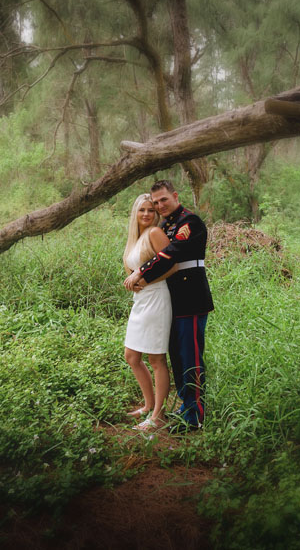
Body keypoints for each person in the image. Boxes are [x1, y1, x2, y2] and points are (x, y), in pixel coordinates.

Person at [124, 180, 214, 430]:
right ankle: (186, 406)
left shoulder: (189, 222)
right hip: (172, 300)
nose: (160, 205)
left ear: (175, 196)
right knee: (178, 357)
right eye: (156, 202)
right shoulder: (166, 225)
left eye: (164, 199)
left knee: (191, 358)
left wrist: (141, 272)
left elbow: (170, 254)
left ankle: (195, 417)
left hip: (191, 299)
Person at [122, 193, 175, 431]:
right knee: (132, 356)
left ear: (156, 214)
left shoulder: (155, 233)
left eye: (150, 210)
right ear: (135, 213)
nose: (146, 214)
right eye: (142, 210)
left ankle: (158, 416)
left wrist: (145, 280)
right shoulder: (137, 237)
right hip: (141, 300)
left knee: (156, 359)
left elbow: (173, 266)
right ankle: (148, 405)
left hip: (156, 298)